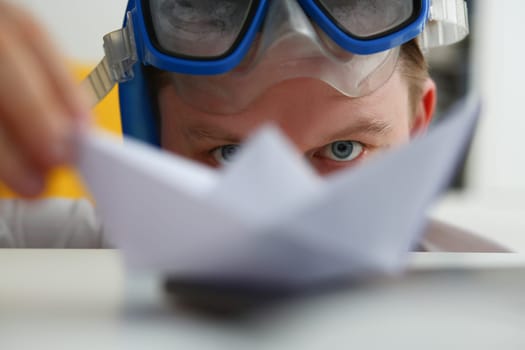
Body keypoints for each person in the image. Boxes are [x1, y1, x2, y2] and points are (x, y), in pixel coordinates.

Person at [0, 0, 508, 251]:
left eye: (344, 149)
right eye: (232, 155)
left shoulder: (493, 290)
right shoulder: (70, 253)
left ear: (418, 130)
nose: (287, 216)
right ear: (151, 142)